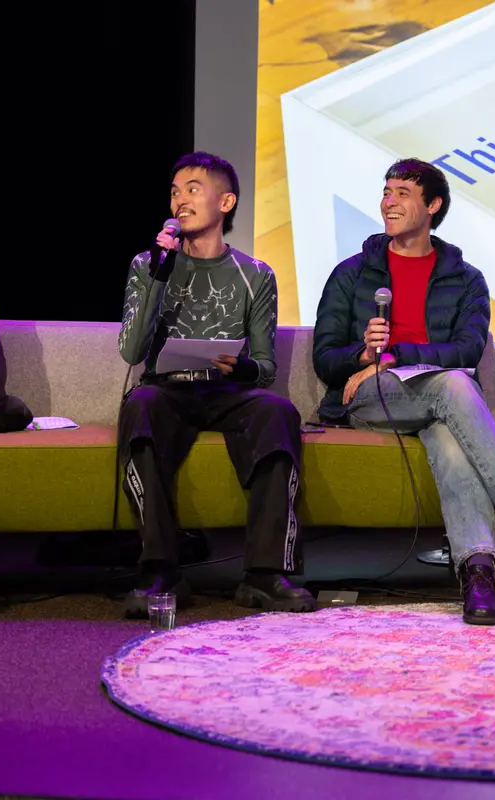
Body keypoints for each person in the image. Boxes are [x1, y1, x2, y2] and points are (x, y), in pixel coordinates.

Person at [312, 158, 495, 626]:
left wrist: (396, 352)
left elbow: (467, 348)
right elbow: (324, 357)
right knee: (455, 386)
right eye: (386, 191)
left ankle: (477, 575)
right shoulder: (353, 273)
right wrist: (363, 356)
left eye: (402, 193)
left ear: (433, 205)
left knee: (449, 432)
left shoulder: (466, 278)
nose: (388, 201)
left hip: (439, 395)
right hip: (371, 397)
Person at [117, 151, 313, 618]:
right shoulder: (148, 263)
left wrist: (242, 369)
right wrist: (159, 271)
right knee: (139, 406)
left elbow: (264, 365)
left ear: (225, 202)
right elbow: (131, 351)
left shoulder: (256, 274)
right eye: (174, 191)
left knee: (278, 412)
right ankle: (161, 569)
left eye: (192, 189)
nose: (179, 199)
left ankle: (266, 574)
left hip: (227, 389)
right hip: (167, 387)